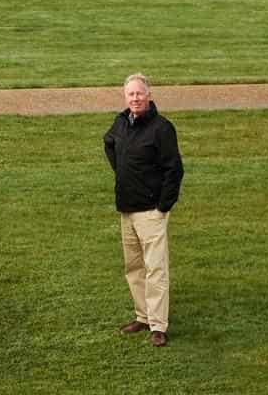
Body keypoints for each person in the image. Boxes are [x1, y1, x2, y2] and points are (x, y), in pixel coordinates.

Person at [103, 73, 184, 347]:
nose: (135, 98)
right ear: (125, 97)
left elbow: (175, 170)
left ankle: (158, 326)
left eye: (139, 94)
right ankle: (143, 316)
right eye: (131, 94)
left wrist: (163, 205)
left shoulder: (162, 129)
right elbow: (109, 143)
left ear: (148, 95)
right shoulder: (120, 123)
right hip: (127, 210)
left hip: (151, 211)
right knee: (134, 267)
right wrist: (124, 176)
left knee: (155, 269)